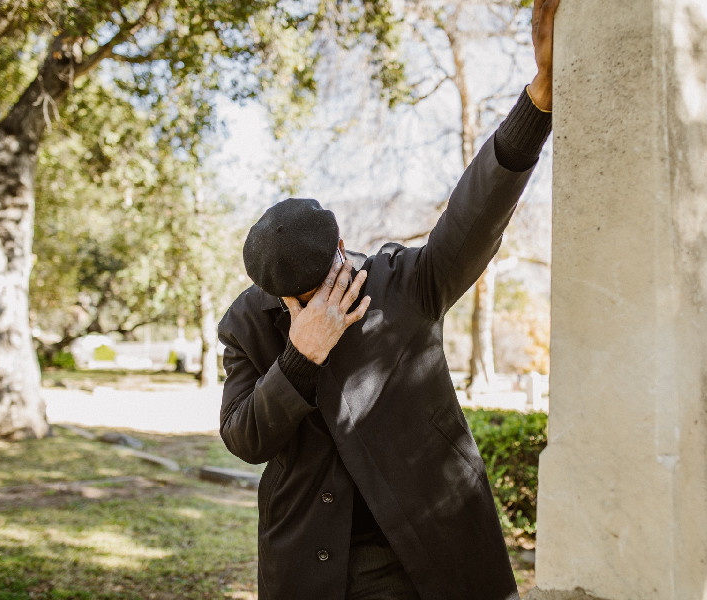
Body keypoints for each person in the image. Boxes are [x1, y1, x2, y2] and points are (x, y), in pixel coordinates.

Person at [218, 1, 558, 598]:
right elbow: (244, 438)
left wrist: (539, 100)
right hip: (307, 567)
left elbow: (473, 215)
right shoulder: (246, 322)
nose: (317, 302)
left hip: (424, 558)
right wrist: (299, 357)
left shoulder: (405, 282)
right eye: (297, 298)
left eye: (323, 284)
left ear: (340, 247)